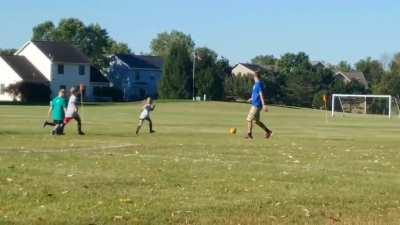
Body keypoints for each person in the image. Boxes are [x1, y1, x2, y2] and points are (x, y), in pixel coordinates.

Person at [245, 73, 273, 139]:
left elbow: (261, 94)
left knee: (249, 119)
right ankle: (268, 132)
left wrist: (264, 104)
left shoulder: (258, 84)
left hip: (256, 105)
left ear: (255, 77)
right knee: (256, 121)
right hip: (256, 104)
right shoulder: (259, 84)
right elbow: (256, 93)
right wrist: (251, 98)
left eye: (253, 77)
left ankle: (249, 135)